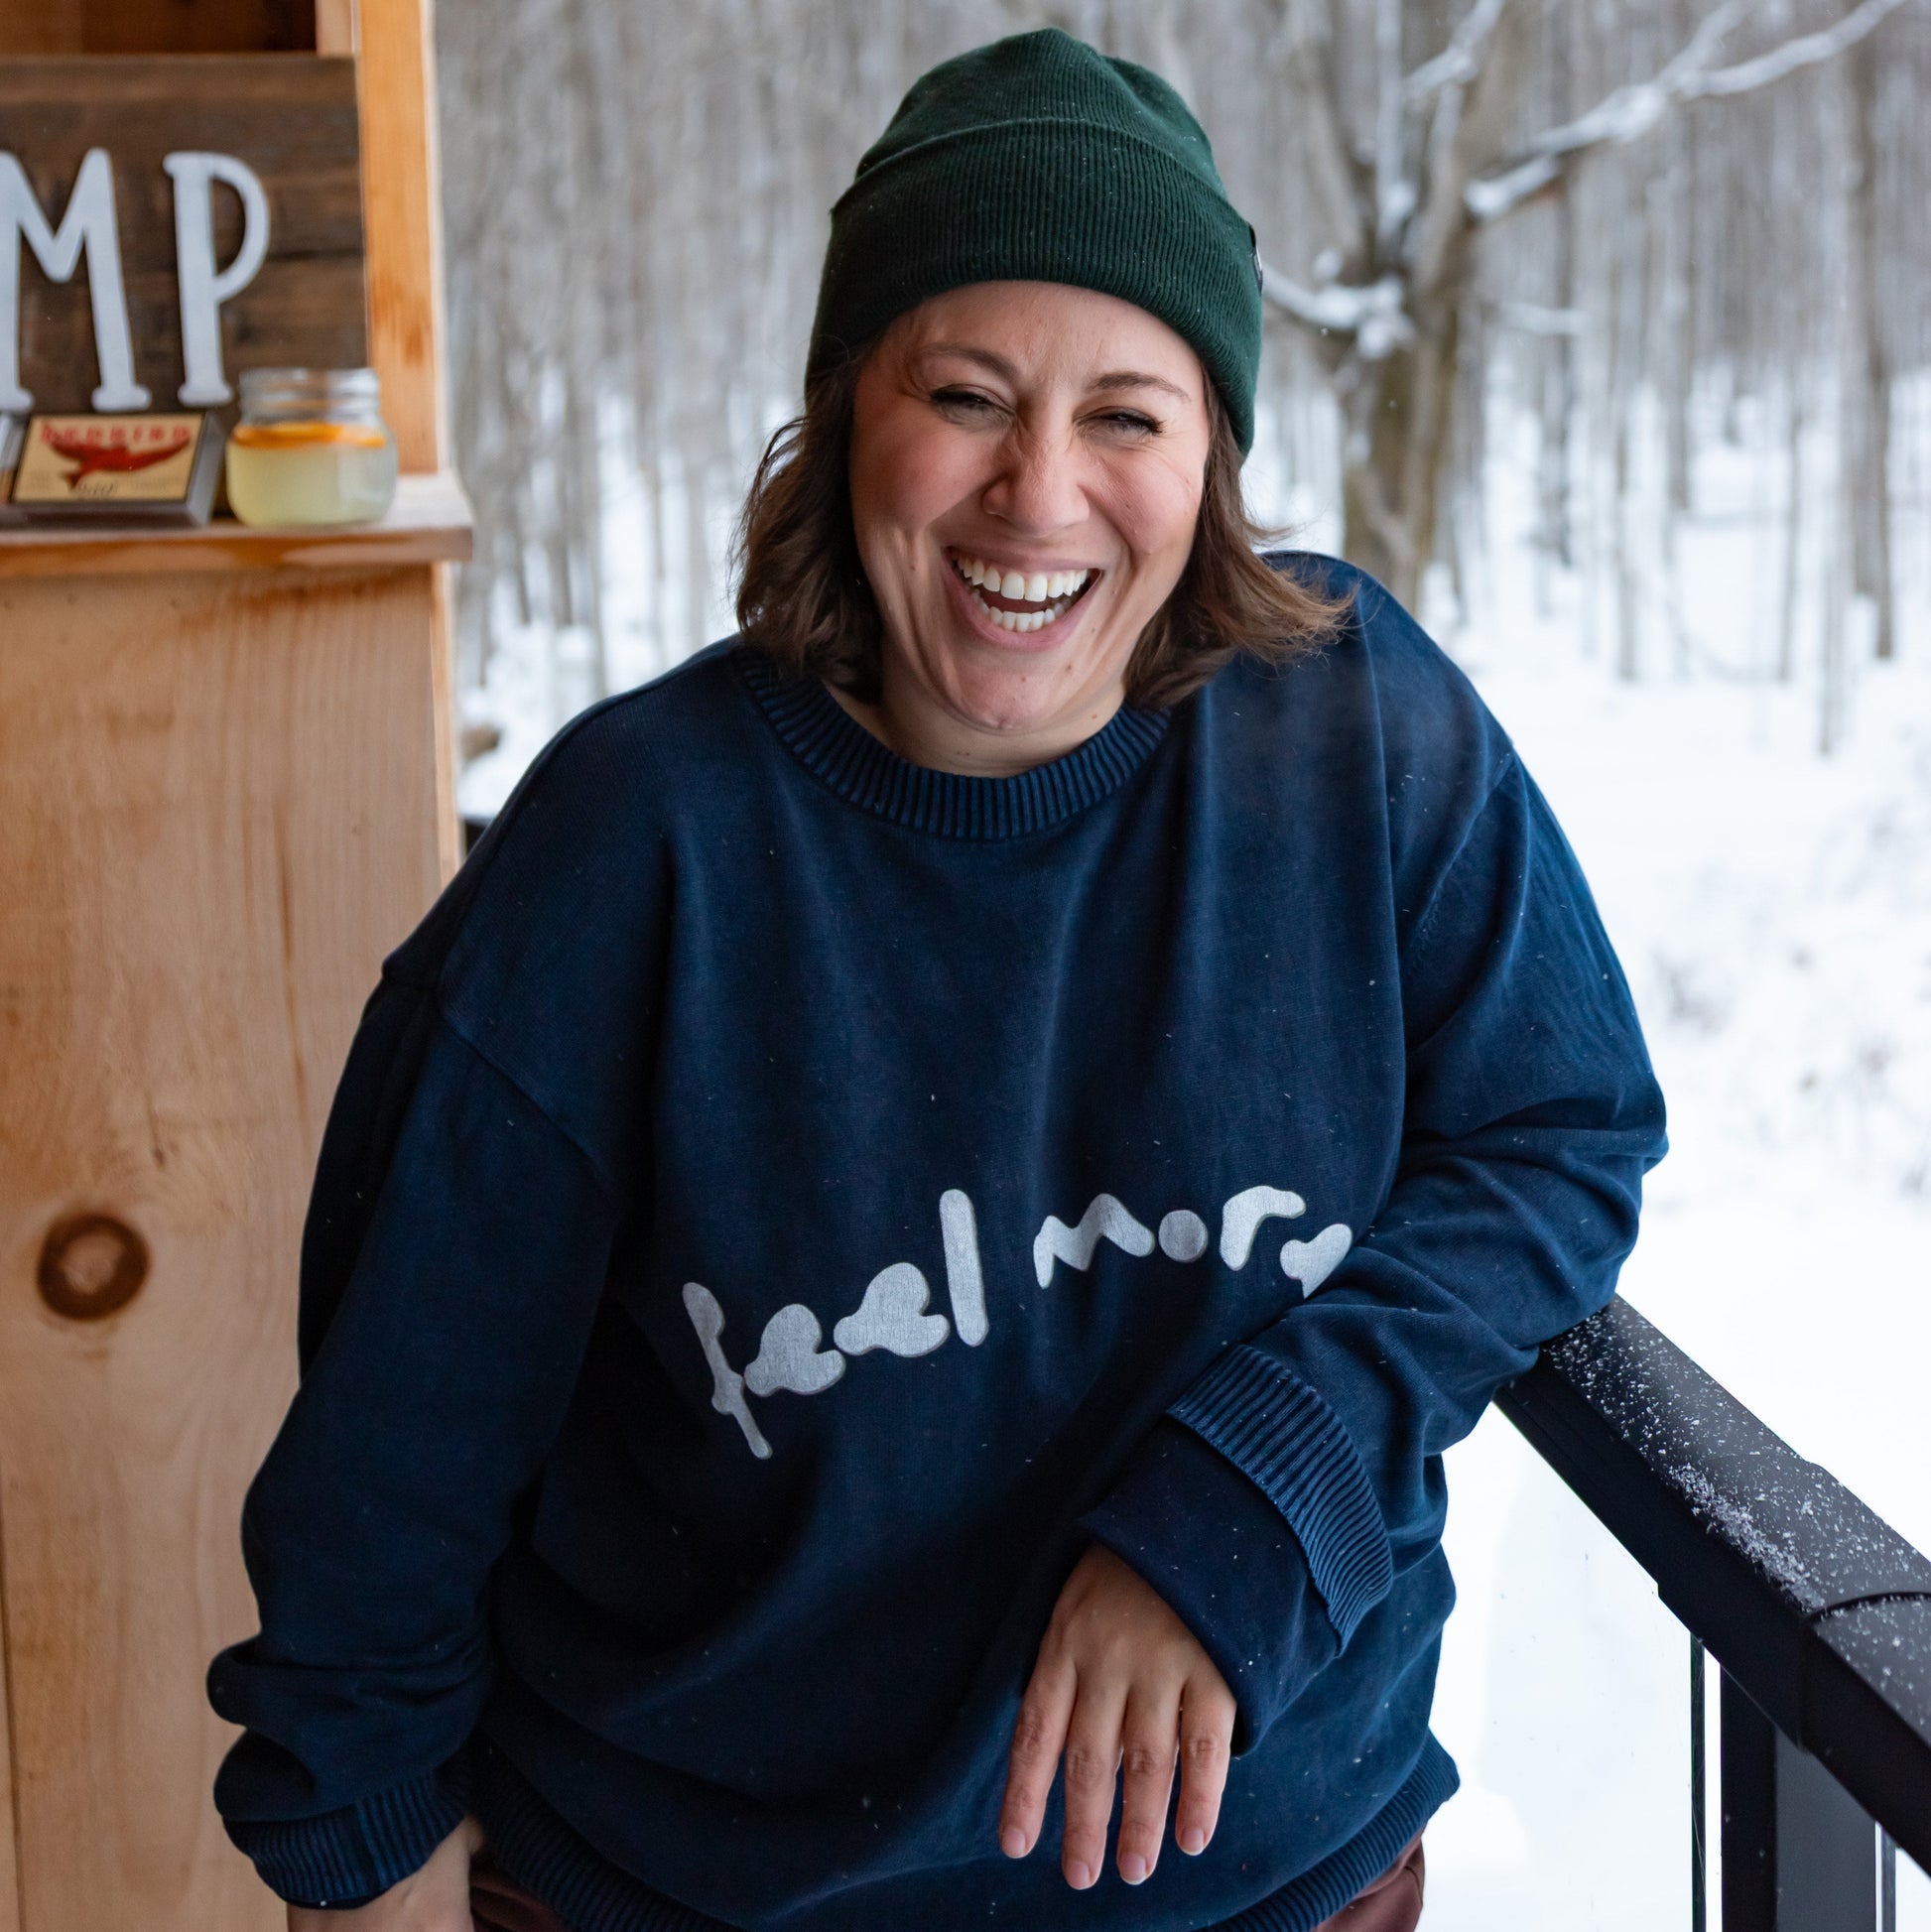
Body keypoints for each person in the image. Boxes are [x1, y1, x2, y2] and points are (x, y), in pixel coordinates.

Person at [208, 28, 1665, 1932]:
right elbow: (401, 1439)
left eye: (1127, 415)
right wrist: (351, 1854)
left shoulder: (1356, 732)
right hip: (703, 1888)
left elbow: (1559, 1133)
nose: (1037, 494)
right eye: (965, 395)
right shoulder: (634, 847)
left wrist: (1262, 1482)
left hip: (1276, 1889)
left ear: (1212, 453)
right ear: (842, 418)